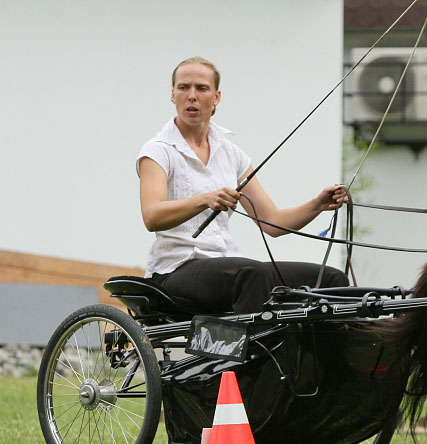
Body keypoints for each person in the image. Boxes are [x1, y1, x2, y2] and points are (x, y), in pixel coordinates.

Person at [137, 56, 349, 314]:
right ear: (173, 95)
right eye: (183, 87)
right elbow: (152, 217)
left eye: (201, 88)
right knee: (251, 273)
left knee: (331, 279)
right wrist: (204, 199)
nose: (191, 95)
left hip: (225, 265)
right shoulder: (157, 151)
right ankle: (246, 355)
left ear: (216, 98)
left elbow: (271, 222)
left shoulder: (231, 153)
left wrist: (317, 205)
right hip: (175, 269)